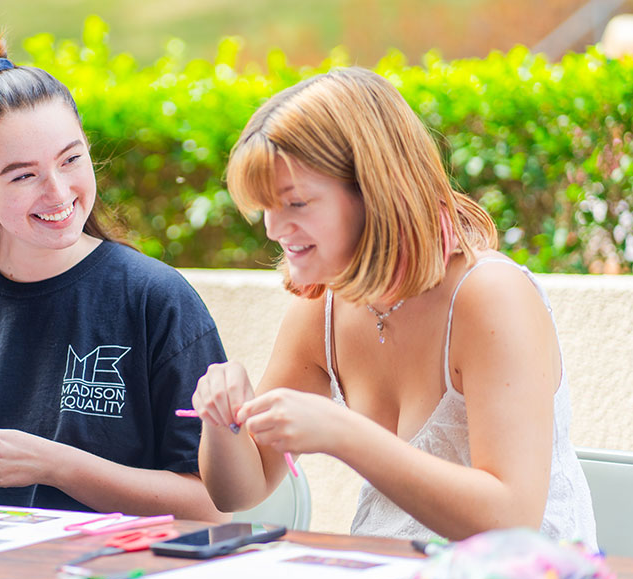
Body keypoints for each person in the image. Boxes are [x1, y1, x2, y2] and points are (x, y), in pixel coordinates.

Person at [191, 67, 597, 545]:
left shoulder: (491, 296)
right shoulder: (322, 307)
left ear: (374, 191)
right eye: (265, 207)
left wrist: (342, 433)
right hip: (388, 572)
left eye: (296, 204)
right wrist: (221, 421)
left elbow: (511, 519)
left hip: (523, 577)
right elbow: (241, 490)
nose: (273, 229)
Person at [0, 33, 227, 521]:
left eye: (70, 159)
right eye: (23, 175)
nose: (58, 192)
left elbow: (209, 507)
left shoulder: (156, 300)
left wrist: (55, 466)